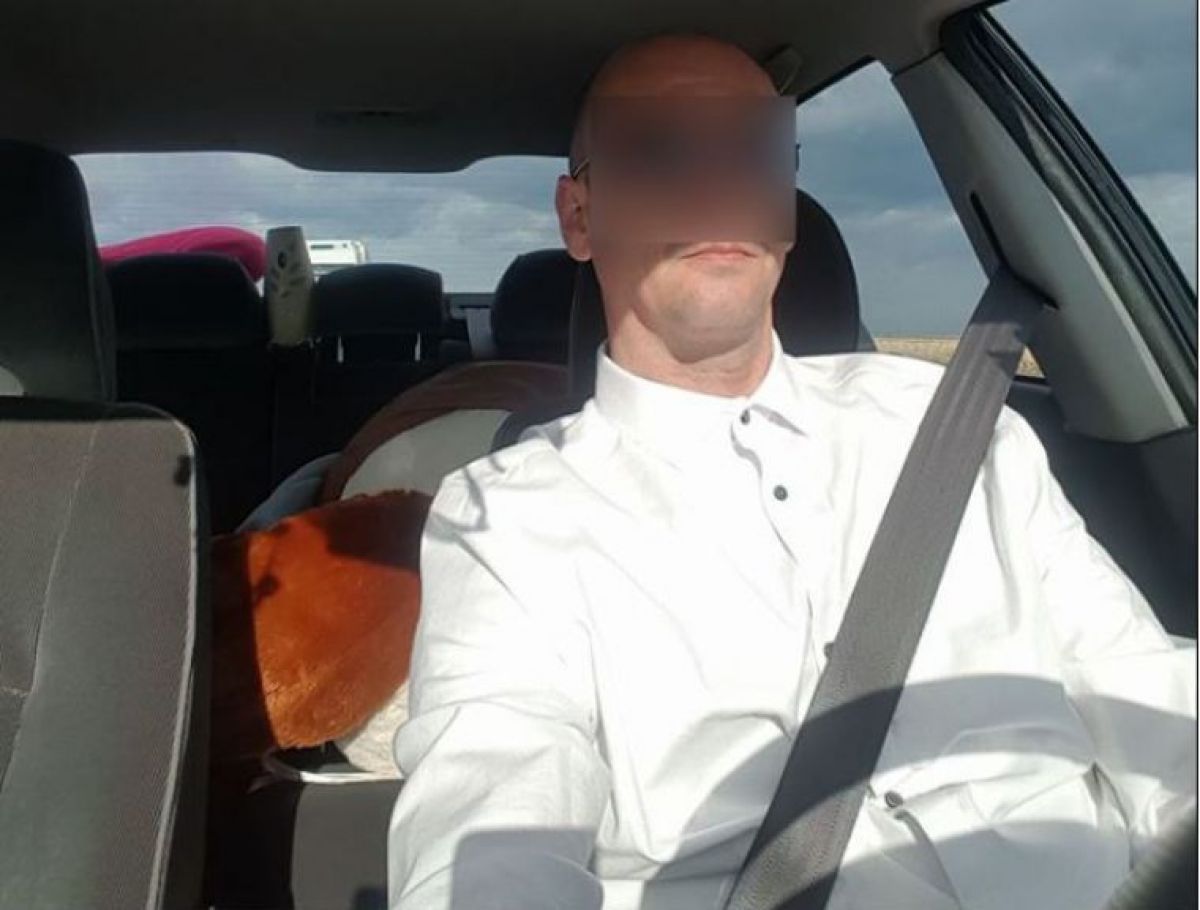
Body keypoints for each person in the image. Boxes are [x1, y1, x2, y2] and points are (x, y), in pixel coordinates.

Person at [388, 34, 1196, 910]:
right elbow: (490, 815)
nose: (717, 189)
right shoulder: (505, 522)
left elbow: (1147, 693)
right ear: (579, 217)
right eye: (658, 150)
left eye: (752, 152)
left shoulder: (961, 426)